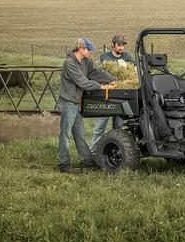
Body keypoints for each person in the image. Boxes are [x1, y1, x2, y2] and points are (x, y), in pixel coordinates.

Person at [58, 37, 116, 173]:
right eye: (88, 49)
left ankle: (88, 162)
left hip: (76, 103)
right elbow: (82, 82)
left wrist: (113, 79)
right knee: (65, 135)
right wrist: (101, 87)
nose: (89, 51)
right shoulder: (69, 63)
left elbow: (95, 73)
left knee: (79, 134)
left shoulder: (85, 62)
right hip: (67, 103)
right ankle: (64, 165)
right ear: (80, 49)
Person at [92, 34, 135, 147]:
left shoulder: (126, 56)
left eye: (123, 45)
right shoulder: (105, 56)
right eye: (119, 45)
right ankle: (94, 151)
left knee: (119, 126)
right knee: (100, 125)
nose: (121, 48)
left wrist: (129, 66)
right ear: (113, 45)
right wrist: (122, 66)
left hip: (121, 96)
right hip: (107, 96)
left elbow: (134, 65)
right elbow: (108, 67)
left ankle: (115, 148)